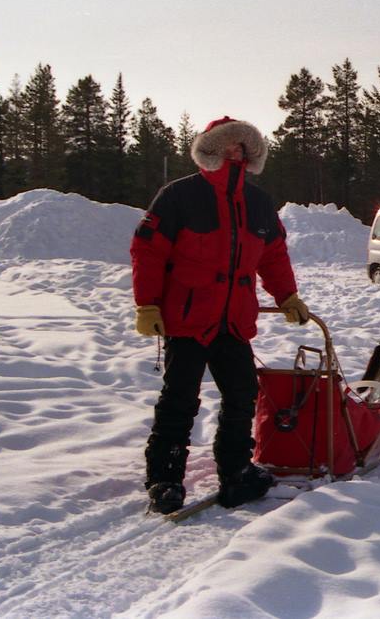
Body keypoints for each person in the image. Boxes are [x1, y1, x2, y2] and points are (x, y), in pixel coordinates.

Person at [130, 116, 309, 514]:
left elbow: (274, 255)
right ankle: (165, 479)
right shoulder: (179, 196)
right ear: (210, 150)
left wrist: (287, 297)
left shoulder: (259, 203)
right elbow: (148, 251)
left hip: (233, 320)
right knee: (179, 400)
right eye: (229, 146)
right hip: (187, 317)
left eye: (243, 147)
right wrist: (147, 305)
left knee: (242, 396)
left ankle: (236, 471)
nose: (236, 153)